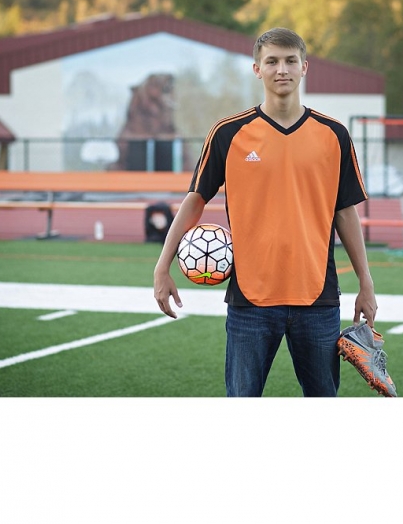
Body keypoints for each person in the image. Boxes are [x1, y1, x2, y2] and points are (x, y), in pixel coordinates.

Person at [153, 27, 378, 397]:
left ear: (305, 67)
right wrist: (162, 265)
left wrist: (366, 282)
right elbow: (195, 199)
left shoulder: (334, 134)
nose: (281, 69)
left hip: (318, 299)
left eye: (290, 61)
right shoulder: (228, 133)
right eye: (271, 61)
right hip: (250, 301)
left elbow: (345, 211)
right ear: (257, 69)